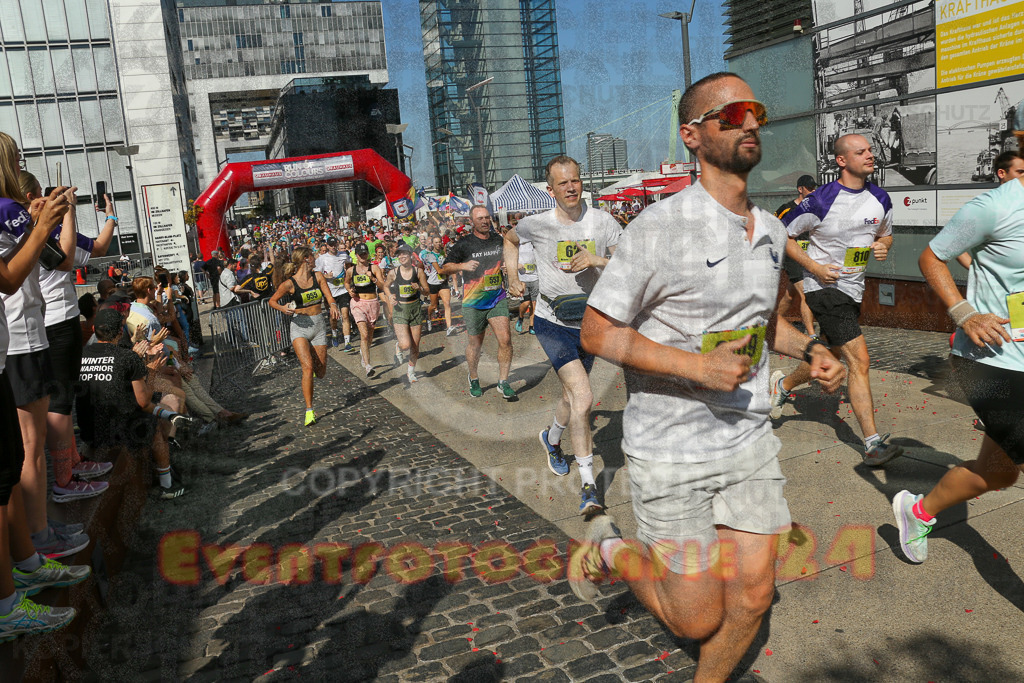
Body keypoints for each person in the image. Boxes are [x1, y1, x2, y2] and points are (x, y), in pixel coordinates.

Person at [574, 73, 845, 682]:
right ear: (692, 136)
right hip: (670, 450)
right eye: (732, 114)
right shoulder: (657, 227)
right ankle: (614, 548)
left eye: (757, 111)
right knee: (694, 621)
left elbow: (760, 327)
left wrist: (813, 348)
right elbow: (597, 333)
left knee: (752, 597)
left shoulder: (773, 232)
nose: (750, 122)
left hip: (748, 441)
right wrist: (695, 366)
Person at [892, 172, 1024, 564]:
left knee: (998, 473)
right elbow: (931, 257)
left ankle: (917, 511)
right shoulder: (994, 207)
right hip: (990, 361)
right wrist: (964, 313)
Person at [768, 133, 902, 467]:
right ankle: (872, 444)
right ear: (841, 161)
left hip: (854, 289)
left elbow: (885, 234)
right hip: (822, 289)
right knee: (859, 360)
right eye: (861, 152)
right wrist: (814, 267)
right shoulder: (821, 199)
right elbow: (780, 234)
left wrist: (884, 246)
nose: (870, 155)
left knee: (826, 353)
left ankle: (783, 385)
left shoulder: (880, 198)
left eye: (870, 150)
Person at [505, 155, 622, 514]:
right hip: (551, 321)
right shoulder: (536, 224)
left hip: (590, 322)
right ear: (550, 189)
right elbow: (509, 240)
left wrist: (596, 260)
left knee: (572, 398)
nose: (571, 187)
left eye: (575, 180)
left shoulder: (603, 221)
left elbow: (629, 263)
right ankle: (589, 487)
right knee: (583, 397)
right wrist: (512, 276)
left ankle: (551, 439)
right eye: (562, 183)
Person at [0, 135, 90, 559]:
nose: (20, 166)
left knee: (26, 446)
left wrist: (38, 222)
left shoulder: (10, 211)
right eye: (15, 159)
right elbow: (37, 266)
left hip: (23, 332)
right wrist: (41, 224)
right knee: (27, 447)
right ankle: (36, 540)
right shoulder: (4, 209)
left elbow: (52, 258)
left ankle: (38, 530)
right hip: (21, 335)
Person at [25, 175, 117, 503]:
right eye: (38, 196)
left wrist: (106, 215)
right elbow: (70, 256)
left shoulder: (41, 232)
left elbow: (94, 248)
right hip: (51, 323)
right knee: (60, 403)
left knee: (65, 398)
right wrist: (74, 214)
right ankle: (64, 478)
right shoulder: (37, 234)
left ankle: (72, 464)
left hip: (59, 321)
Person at [78, 308, 190, 498]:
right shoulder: (127, 357)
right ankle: (167, 485)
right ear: (121, 332)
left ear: (95, 329)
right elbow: (144, 401)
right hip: (117, 433)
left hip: (88, 430)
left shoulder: (81, 355)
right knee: (152, 424)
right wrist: (152, 371)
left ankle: (169, 431)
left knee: (156, 412)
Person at [440, 206, 516, 399]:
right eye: (480, 218)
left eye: (487, 217)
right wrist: (462, 265)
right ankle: (473, 377)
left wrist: (507, 267)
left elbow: (507, 258)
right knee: (475, 344)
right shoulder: (464, 244)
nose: (485, 221)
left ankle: (503, 382)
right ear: (472, 221)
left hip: (496, 297)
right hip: (473, 301)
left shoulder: (498, 239)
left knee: (505, 339)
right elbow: (444, 268)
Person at [268, 247, 340, 426]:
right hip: (299, 326)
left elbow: (329, 297)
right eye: (313, 256)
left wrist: (332, 305)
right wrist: (283, 308)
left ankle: (312, 373)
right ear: (306, 259)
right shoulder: (290, 284)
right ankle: (309, 410)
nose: (315, 259)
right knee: (307, 368)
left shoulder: (318, 277)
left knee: (320, 372)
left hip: (318, 325)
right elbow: (272, 301)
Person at [955, 150, 1024, 270]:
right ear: (1002, 173)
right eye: (1020, 172)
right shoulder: (987, 208)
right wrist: (977, 270)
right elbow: (954, 245)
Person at [774, 175, 818, 336]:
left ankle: (771, 324)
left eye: (815, 188)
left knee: (789, 295)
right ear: (800, 189)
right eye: (810, 188)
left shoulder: (814, 209)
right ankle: (812, 335)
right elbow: (773, 229)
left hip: (807, 256)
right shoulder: (786, 209)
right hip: (791, 256)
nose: (813, 191)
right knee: (806, 293)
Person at [386, 243, 430, 383]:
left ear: (411, 255)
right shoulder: (393, 272)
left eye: (405, 253)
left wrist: (420, 289)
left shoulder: (418, 272)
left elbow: (427, 291)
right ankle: (398, 346)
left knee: (415, 345)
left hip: (415, 309)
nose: (402, 256)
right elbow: (385, 286)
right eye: (399, 254)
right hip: (400, 310)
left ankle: (410, 371)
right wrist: (390, 296)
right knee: (406, 344)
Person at [345, 243, 388, 377]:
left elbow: (382, 285)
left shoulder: (374, 268)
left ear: (368, 255)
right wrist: (349, 290)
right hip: (357, 303)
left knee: (369, 336)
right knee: (363, 335)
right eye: (360, 254)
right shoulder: (351, 270)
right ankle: (368, 366)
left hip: (372, 303)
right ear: (356, 255)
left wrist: (373, 278)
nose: (363, 256)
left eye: (365, 253)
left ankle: (364, 355)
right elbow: (346, 282)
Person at [315, 236, 353, 350]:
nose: (332, 247)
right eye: (330, 245)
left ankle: (347, 343)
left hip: (342, 291)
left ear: (337, 244)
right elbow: (317, 274)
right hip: (329, 293)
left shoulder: (343, 255)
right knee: (333, 317)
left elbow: (349, 263)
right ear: (327, 245)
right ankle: (334, 334)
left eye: (334, 244)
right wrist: (326, 276)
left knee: (345, 315)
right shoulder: (322, 259)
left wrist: (348, 277)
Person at [419, 235, 455, 335]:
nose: (438, 244)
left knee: (447, 303)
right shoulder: (430, 255)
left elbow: (446, 265)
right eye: (436, 242)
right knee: (433, 305)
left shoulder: (443, 253)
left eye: (439, 242)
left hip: (443, 282)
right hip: (433, 283)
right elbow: (439, 271)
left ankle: (449, 327)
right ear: (433, 244)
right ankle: (429, 318)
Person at [513, 237, 539, 335]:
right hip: (523, 279)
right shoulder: (517, 243)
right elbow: (510, 258)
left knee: (534, 303)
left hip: (535, 278)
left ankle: (532, 326)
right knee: (526, 302)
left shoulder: (535, 243)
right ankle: (520, 318)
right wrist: (516, 265)